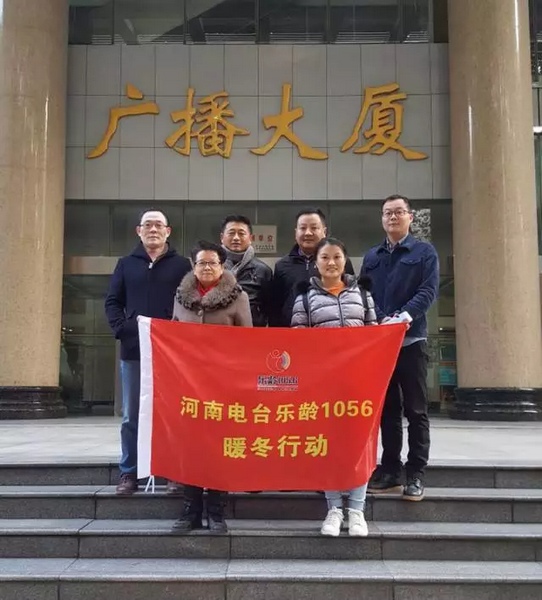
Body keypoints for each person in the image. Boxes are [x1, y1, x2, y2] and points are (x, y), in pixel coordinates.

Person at [291, 237, 377, 537]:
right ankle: (334, 509)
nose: (331, 262)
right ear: (316, 263)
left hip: (358, 382)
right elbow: (298, 342)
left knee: (359, 443)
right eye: (325, 257)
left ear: (345, 261)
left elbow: (374, 336)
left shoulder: (363, 294)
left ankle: (357, 511)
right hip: (323, 384)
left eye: (337, 257)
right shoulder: (304, 298)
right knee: (326, 444)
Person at [105, 209, 192, 495]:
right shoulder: (126, 264)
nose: (153, 230)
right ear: (138, 231)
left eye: (158, 225)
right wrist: (123, 328)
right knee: (131, 415)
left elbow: (189, 302)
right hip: (134, 349)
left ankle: (173, 472)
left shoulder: (182, 265)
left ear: (168, 231)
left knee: (172, 412)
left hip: (171, 352)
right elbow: (112, 302)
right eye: (147, 225)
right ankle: (129, 473)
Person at [361, 194, 439, 501]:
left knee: (416, 409)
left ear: (410, 217)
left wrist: (404, 317)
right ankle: (390, 469)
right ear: (382, 218)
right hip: (381, 344)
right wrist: (381, 319)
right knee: (388, 409)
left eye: (398, 212)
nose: (392, 217)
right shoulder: (373, 255)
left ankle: (416, 473)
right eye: (387, 213)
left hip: (411, 340)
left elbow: (428, 290)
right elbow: (365, 293)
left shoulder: (424, 252)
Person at [171, 240, 252, 533]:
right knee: (191, 448)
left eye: (212, 263)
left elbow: (247, 341)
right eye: (201, 263)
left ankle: (216, 511)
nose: (207, 267)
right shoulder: (181, 296)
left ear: (222, 266)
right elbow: (172, 335)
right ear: (193, 267)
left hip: (223, 386)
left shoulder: (238, 297)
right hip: (189, 386)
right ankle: (190, 510)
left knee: (220, 448)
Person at [270, 208, 355, 328]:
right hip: (294, 333)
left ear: (324, 231)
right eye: (303, 228)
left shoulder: (339, 263)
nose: (308, 233)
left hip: (332, 332)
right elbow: (275, 309)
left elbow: (353, 296)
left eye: (314, 228)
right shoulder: (282, 266)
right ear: (296, 232)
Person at [220, 214, 273, 327]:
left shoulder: (263, 271)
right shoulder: (212, 268)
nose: (236, 238)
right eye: (231, 233)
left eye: (241, 233)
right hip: (218, 330)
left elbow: (270, 308)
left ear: (250, 238)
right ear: (222, 237)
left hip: (252, 331)